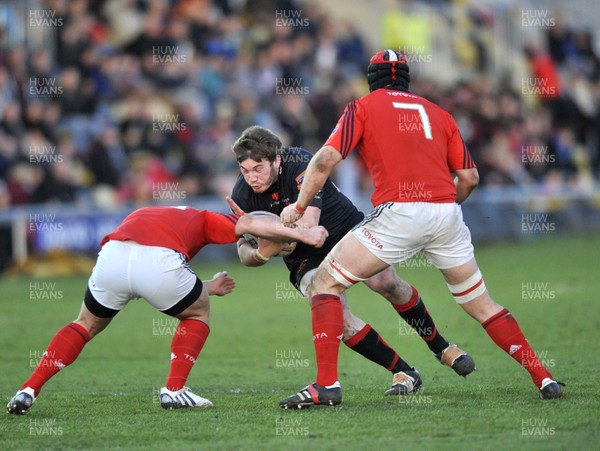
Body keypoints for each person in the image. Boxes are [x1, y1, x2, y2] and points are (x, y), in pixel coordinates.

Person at [279, 50, 564, 408]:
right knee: (482, 305)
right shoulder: (440, 113)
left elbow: (323, 159)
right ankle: (544, 377)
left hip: (399, 213)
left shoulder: (362, 107)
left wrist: (299, 205)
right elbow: (470, 178)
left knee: (325, 283)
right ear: (407, 80)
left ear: (371, 80)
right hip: (446, 213)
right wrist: (443, 207)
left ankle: (326, 386)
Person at [228, 125, 475, 399]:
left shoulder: (301, 163)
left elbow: (311, 227)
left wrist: (275, 234)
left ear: (276, 159)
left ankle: (441, 348)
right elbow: (244, 254)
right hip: (304, 257)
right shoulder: (241, 196)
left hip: (345, 229)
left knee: (385, 281)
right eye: (245, 170)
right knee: (338, 320)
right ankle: (404, 372)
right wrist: (261, 253)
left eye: (258, 168)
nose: (252, 178)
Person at [7, 205, 328, 415]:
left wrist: (207, 286)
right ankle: (174, 390)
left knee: (85, 323)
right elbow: (245, 224)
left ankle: (28, 389)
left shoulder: (156, 210)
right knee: (197, 314)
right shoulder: (205, 219)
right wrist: (300, 234)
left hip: (113, 255)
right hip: (158, 262)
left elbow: (146, 268)